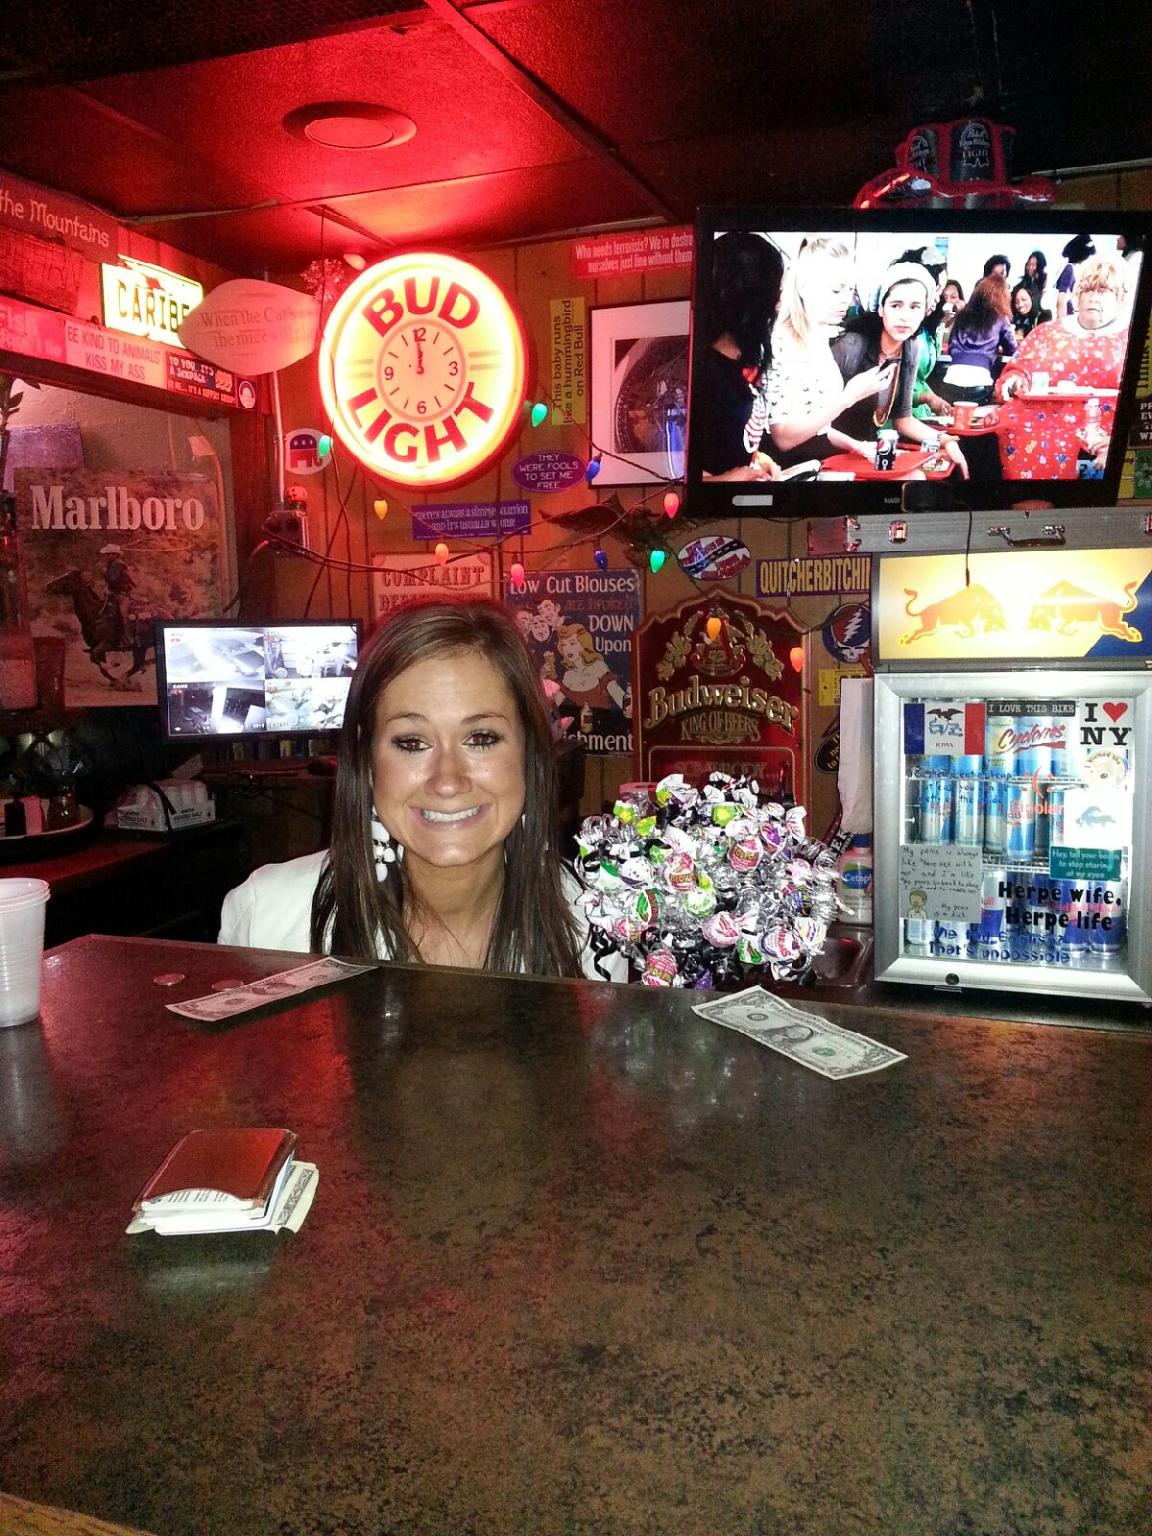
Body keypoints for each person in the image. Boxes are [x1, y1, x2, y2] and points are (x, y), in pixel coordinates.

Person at [219, 598, 628, 981]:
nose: (447, 780)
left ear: (529, 751)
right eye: (412, 743)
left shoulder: (596, 925)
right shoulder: (265, 920)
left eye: (481, 738)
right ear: (367, 758)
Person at [753, 235, 894, 468]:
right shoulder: (780, 342)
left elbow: (818, 427)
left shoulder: (818, 337)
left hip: (817, 460)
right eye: (836, 290)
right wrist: (848, 397)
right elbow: (784, 438)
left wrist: (856, 445)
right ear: (804, 287)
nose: (846, 300)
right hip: (785, 470)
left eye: (850, 289)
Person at [995, 254, 1132, 481]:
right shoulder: (1047, 332)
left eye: (1103, 291)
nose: (1093, 298)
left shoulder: (1132, 337)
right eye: (1087, 290)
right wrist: (1016, 380)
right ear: (1077, 295)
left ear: (1119, 298)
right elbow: (1018, 368)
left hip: (1106, 429)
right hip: (1040, 427)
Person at [831, 264, 968, 478]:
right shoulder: (851, 346)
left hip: (867, 454)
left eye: (915, 307)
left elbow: (903, 420)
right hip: (833, 455)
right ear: (881, 308)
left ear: (925, 312)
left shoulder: (910, 348)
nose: (905, 316)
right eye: (896, 305)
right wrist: (856, 447)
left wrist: (947, 440)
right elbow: (816, 420)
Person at [693, 231, 786, 480]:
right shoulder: (699, 370)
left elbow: (731, 440)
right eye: (774, 292)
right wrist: (725, 481)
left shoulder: (748, 354)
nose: (778, 304)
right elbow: (673, 472)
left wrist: (757, 459)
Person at [940, 274, 1016, 402]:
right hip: (980, 383)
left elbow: (951, 345)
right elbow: (1013, 350)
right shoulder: (1000, 317)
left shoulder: (962, 314)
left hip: (951, 381)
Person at [1054, 233, 1095, 318]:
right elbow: (1061, 298)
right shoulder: (1069, 269)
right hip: (1067, 317)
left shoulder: (1071, 269)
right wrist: (1061, 321)